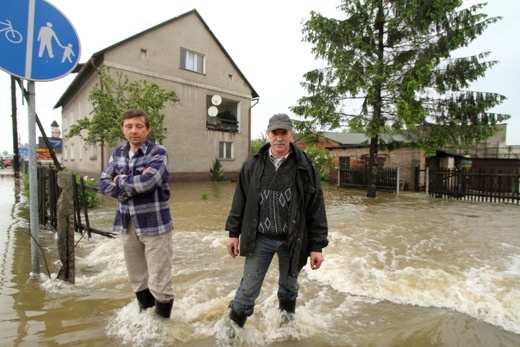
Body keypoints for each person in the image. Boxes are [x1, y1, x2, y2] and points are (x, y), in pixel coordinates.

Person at [225, 113, 329, 327]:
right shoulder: (252, 165)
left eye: (284, 133)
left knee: (290, 287)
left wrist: (316, 246)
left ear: (292, 134)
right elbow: (240, 200)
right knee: (247, 288)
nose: (279, 137)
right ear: (268, 134)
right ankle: (232, 333)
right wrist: (233, 233)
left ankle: (286, 330)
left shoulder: (305, 167)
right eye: (275, 133)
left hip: (293, 240)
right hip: (259, 238)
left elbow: (315, 207)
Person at [99, 108, 174, 318]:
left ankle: (162, 325)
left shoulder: (158, 152)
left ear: (148, 129)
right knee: (137, 277)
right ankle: (145, 318)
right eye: (129, 126)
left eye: (139, 126)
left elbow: (150, 181)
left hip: (155, 224)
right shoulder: (117, 153)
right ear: (123, 129)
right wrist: (131, 185)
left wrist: (120, 180)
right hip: (127, 222)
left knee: (160, 280)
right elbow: (103, 184)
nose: (134, 131)